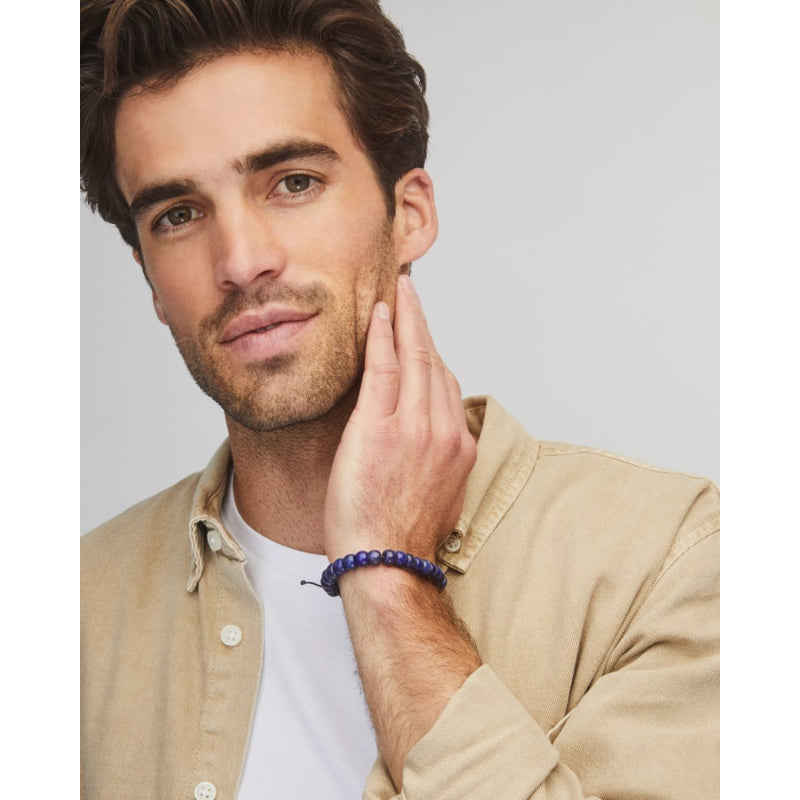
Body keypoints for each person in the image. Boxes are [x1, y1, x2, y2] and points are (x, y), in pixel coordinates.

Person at [80, 1, 719, 798]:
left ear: (409, 214)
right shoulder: (70, 612)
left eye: (294, 182)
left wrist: (387, 578)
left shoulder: (672, 562)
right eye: (178, 215)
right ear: (150, 280)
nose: (241, 261)